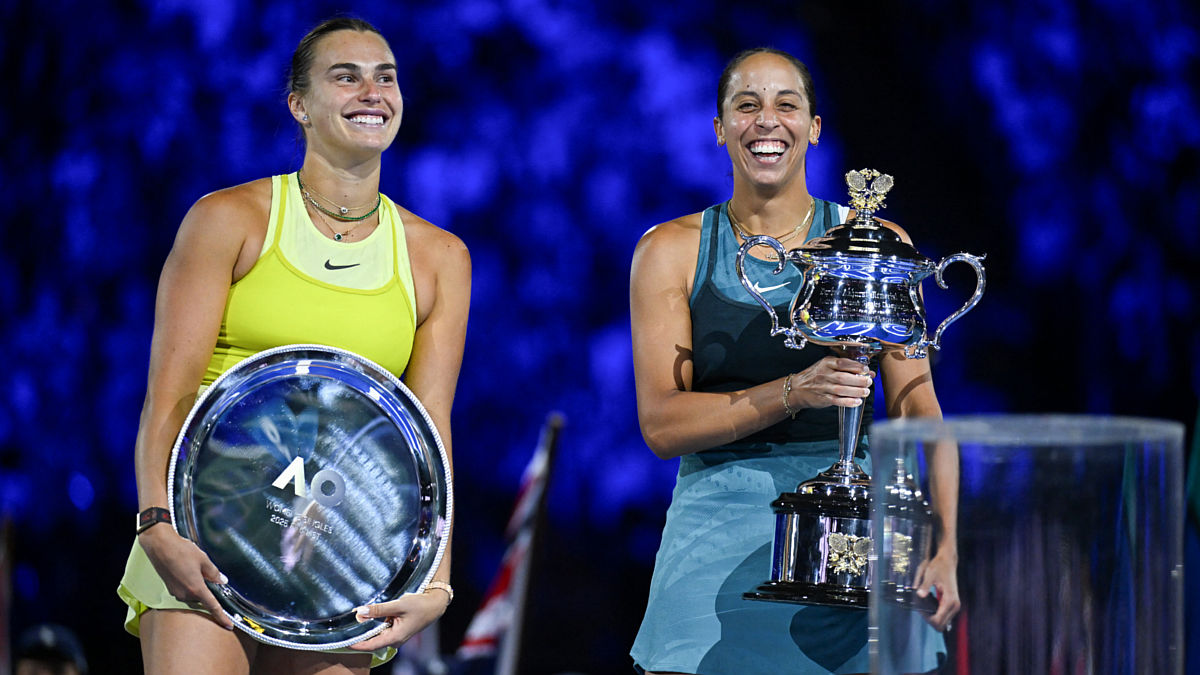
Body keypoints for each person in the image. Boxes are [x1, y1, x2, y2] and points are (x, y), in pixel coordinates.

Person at [115, 17, 470, 674]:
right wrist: (156, 521)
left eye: (386, 77)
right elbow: (169, 390)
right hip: (204, 533)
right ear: (299, 105)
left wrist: (435, 578)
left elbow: (430, 430)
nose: (373, 91)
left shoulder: (440, 258)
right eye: (347, 76)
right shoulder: (228, 219)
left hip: (334, 561)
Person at [628, 48, 960, 674]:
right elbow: (663, 426)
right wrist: (796, 391)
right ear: (719, 126)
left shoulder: (879, 247)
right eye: (746, 105)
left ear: (814, 127)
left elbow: (920, 407)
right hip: (714, 542)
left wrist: (944, 543)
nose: (766, 121)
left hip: (854, 539)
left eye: (787, 105)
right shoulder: (670, 251)